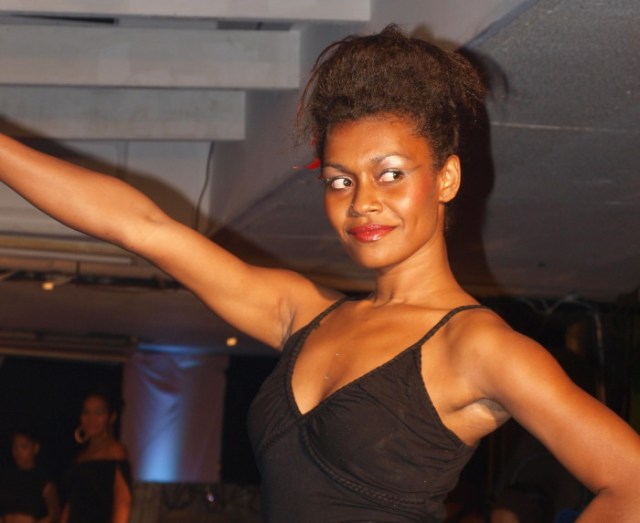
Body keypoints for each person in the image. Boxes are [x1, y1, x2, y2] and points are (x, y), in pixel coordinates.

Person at [0, 24, 639, 522]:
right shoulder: (302, 313)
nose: (363, 202)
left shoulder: (476, 346)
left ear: (446, 178)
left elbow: (630, 484)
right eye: (340, 180)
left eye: (391, 174)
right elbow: (141, 226)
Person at [60, 391, 131, 523]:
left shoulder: (115, 451)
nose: (91, 419)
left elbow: (122, 501)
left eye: (99, 413)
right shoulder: (80, 457)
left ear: (111, 417)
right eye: (86, 412)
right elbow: (71, 503)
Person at [0, 428, 60, 523]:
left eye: (24, 447)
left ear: (35, 448)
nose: (18, 452)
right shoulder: (6, 478)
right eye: (15, 447)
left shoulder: (43, 479)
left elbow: (54, 513)